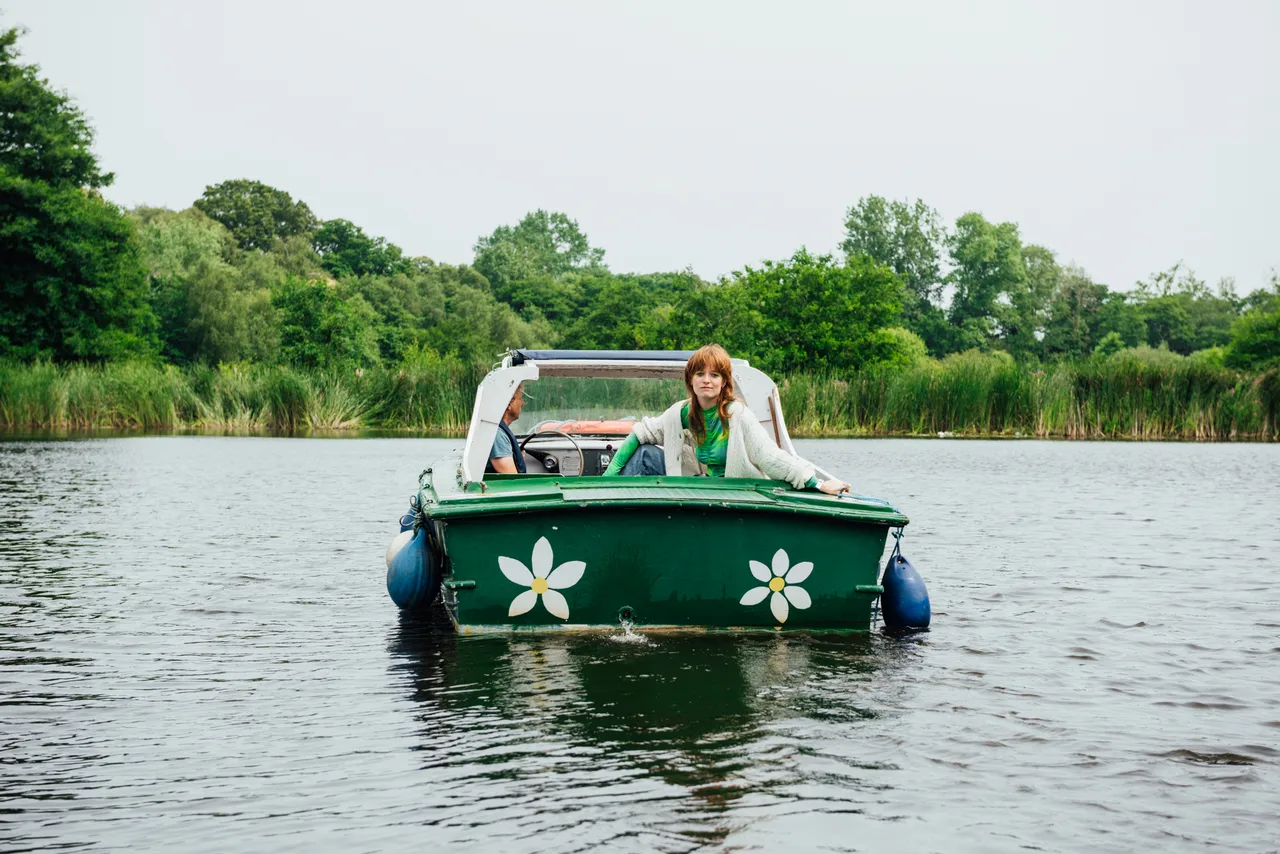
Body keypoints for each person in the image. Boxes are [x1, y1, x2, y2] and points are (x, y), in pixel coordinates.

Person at [603, 344, 850, 494]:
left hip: (735, 492)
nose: (706, 380)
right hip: (700, 487)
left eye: (714, 375)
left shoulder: (737, 414)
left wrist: (817, 483)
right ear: (691, 379)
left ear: (724, 382)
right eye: (700, 374)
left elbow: (769, 456)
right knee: (645, 453)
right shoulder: (681, 413)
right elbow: (641, 433)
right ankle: (612, 505)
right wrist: (607, 478)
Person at [486, 383, 527, 474]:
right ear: (509, 404)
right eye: (520, 399)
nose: (522, 403)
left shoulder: (498, 431)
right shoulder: (497, 435)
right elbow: (511, 478)